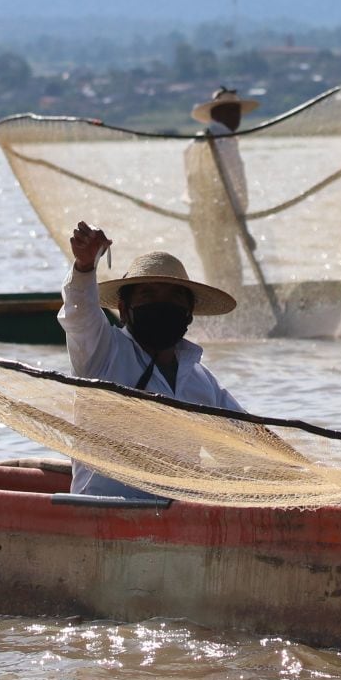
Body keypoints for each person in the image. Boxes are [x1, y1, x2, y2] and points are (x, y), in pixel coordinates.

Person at [60, 220, 242, 498]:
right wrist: (85, 266)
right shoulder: (103, 352)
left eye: (174, 298)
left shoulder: (201, 380)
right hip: (102, 509)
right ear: (124, 309)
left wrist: (300, 472)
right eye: (148, 295)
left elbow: (249, 441)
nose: (162, 306)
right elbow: (79, 312)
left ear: (189, 313)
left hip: (178, 512)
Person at [182, 86, 260, 288]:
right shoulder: (223, 142)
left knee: (214, 275)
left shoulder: (194, 142)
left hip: (200, 219)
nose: (237, 117)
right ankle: (231, 306)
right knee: (230, 277)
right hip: (221, 218)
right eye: (232, 111)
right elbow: (234, 190)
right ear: (218, 113)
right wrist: (244, 230)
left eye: (237, 112)